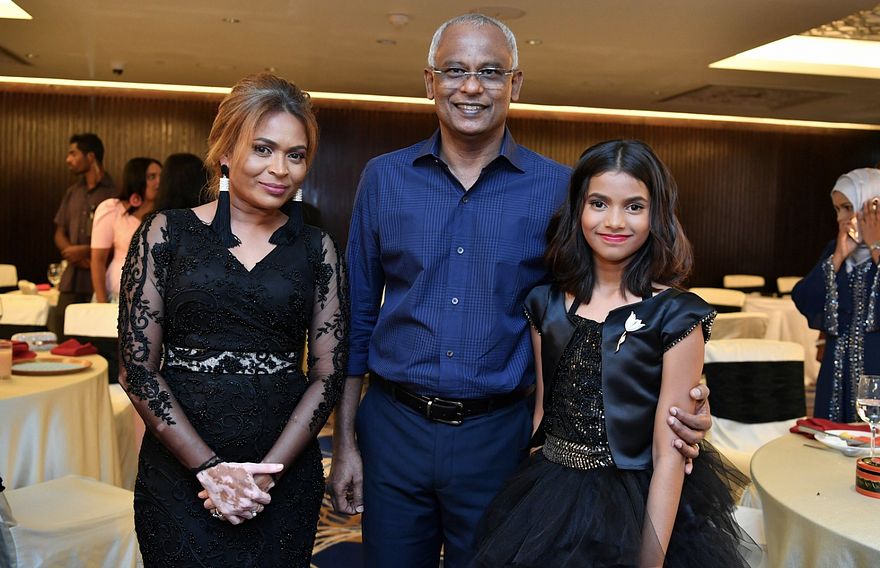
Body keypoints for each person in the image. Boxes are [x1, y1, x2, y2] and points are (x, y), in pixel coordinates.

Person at [330, 14, 711, 567]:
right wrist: (344, 440)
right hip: (393, 428)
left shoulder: (557, 189)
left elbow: (598, 306)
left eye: (490, 72)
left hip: (503, 438)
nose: (471, 87)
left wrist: (685, 388)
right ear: (430, 81)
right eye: (454, 71)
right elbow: (356, 316)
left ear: (516, 83)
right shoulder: (384, 178)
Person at [471, 139, 756, 567]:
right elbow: (543, 415)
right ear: (578, 210)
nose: (615, 221)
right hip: (551, 494)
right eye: (599, 203)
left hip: (637, 502)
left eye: (634, 206)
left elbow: (670, 450)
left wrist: (650, 561)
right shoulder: (545, 304)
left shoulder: (676, 314)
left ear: (656, 215)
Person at [118, 73, 348, 567]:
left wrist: (267, 474)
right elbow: (137, 369)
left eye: (295, 155)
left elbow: (329, 374)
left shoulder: (318, 248)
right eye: (263, 149)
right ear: (225, 152)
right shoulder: (165, 233)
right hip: (179, 472)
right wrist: (208, 469)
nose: (280, 169)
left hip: (282, 475)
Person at [792, 168, 880, 422]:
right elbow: (804, 298)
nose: (841, 218)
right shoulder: (837, 249)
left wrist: (876, 248)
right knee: (832, 436)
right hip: (835, 370)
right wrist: (838, 258)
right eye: (837, 209)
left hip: (875, 367)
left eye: (848, 208)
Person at [53, 133, 115, 329]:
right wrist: (71, 252)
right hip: (71, 279)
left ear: (90, 156)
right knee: (62, 331)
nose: (68, 159)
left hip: (98, 280)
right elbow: (59, 232)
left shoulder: (113, 194)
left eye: (73, 154)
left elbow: (120, 240)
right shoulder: (72, 192)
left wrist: (85, 251)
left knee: (94, 334)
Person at [90, 157, 162, 303]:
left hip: (151, 301)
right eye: (152, 177)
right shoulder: (113, 209)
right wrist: (101, 303)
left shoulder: (165, 212)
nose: (158, 182)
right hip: (116, 296)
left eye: (162, 176)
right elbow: (98, 260)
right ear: (137, 179)